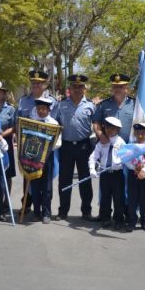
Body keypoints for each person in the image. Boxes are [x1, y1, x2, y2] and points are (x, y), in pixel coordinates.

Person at [54, 74, 96, 221]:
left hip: (84, 146)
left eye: (80, 86)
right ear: (69, 89)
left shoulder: (91, 106)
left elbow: (96, 125)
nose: (77, 89)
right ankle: (63, 211)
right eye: (74, 86)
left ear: (84, 88)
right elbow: (54, 123)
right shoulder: (61, 105)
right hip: (66, 146)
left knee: (85, 180)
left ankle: (86, 211)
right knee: (65, 180)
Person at [16, 70, 57, 212]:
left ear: (45, 85)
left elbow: (55, 126)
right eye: (34, 83)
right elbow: (19, 122)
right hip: (28, 148)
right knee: (27, 177)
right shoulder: (23, 100)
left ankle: (45, 209)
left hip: (46, 149)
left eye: (39, 83)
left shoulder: (53, 101)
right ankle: (27, 204)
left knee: (46, 181)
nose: (36, 85)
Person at [88, 116, 126, 230]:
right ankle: (106, 218)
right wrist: (92, 169)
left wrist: (120, 163)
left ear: (118, 130)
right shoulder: (102, 143)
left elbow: (127, 158)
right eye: (107, 128)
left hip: (117, 174)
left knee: (118, 198)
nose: (109, 130)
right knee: (105, 197)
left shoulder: (121, 143)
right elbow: (93, 157)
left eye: (113, 128)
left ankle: (119, 219)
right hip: (105, 174)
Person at [30, 97, 61, 224]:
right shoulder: (31, 122)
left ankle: (46, 212)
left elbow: (58, 143)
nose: (41, 111)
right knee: (35, 185)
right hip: (33, 158)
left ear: (49, 110)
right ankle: (36, 212)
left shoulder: (54, 124)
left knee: (47, 187)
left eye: (44, 109)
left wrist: (46, 146)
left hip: (48, 158)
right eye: (39, 109)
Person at [125, 122, 145, 232]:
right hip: (133, 175)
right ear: (134, 133)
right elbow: (127, 161)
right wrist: (135, 168)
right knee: (132, 199)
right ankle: (132, 221)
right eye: (138, 133)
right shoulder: (130, 146)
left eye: (143, 133)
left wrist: (143, 171)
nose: (140, 136)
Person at [0, 81, 16, 212]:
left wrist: (2, 134)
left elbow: (14, 127)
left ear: (5, 94)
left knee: (7, 172)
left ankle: (6, 200)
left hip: (5, 142)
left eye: (0, 92)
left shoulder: (11, 109)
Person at [93, 74, 135, 144]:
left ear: (126, 88)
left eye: (120, 87)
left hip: (129, 146)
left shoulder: (134, 104)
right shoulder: (103, 105)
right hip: (108, 145)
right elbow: (96, 123)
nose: (117, 89)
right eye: (115, 87)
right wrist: (101, 136)